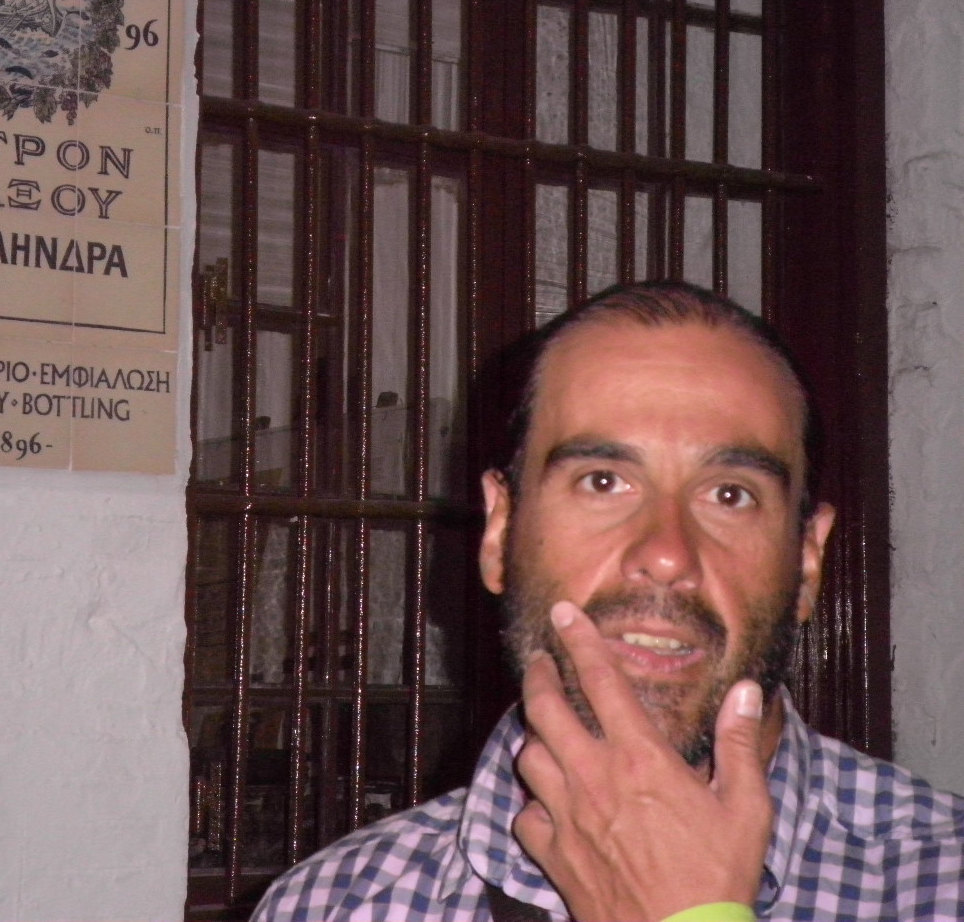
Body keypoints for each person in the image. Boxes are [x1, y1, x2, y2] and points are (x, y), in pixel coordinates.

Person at [252, 281, 964, 922]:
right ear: (500, 532)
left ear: (807, 563)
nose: (667, 553)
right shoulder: (335, 905)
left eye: (730, 494)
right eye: (602, 482)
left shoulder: (941, 884)